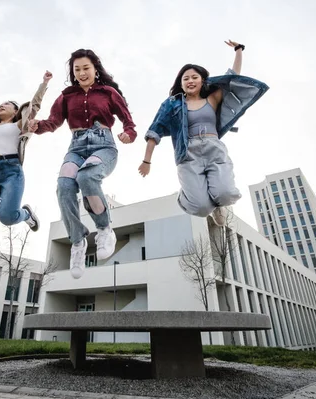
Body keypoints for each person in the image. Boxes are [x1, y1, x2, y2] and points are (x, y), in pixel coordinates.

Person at [29, 49, 137, 279]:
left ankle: (105, 228)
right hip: (76, 148)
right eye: (77, 69)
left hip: (103, 146)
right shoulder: (66, 97)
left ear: (95, 69)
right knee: (64, 185)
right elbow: (52, 122)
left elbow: (127, 120)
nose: (81, 73)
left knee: (87, 177)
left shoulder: (108, 92)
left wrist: (128, 132)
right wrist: (37, 126)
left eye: (85, 68)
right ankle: (77, 243)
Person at [139, 41, 269, 226]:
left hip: (213, 148)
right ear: (181, 83)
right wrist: (146, 161)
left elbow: (232, 77)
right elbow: (154, 131)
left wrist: (239, 50)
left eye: (194, 77)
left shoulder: (213, 97)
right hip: (187, 153)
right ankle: (188, 195)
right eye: (185, 79)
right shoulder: (172, 104)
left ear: (202, 80)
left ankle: (219, 205)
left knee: (226, 194)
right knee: (200, 208)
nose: (190, 81)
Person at [0, 71, 53, 231]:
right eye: (0, 104)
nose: (1, 105)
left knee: (7, 218)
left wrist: (44, 83)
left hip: (11, 170)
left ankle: (26, 214)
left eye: (7, 104)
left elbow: (34, 106)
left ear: (15, 111)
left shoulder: (18, 125)